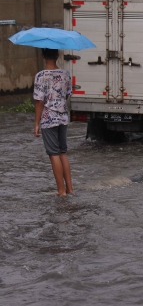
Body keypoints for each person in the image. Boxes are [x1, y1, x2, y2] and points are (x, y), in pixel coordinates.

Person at [33, 48, 74, 196]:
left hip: (48, 119)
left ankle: (61, 191)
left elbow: (39, 102)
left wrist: (36, 124)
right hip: (63, 117)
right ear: (57, 55)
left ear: (43, 56)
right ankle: (69, 189)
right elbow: (67, 95)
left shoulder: (40, 76)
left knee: (53, 154)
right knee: (62, 153)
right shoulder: (66, 74)